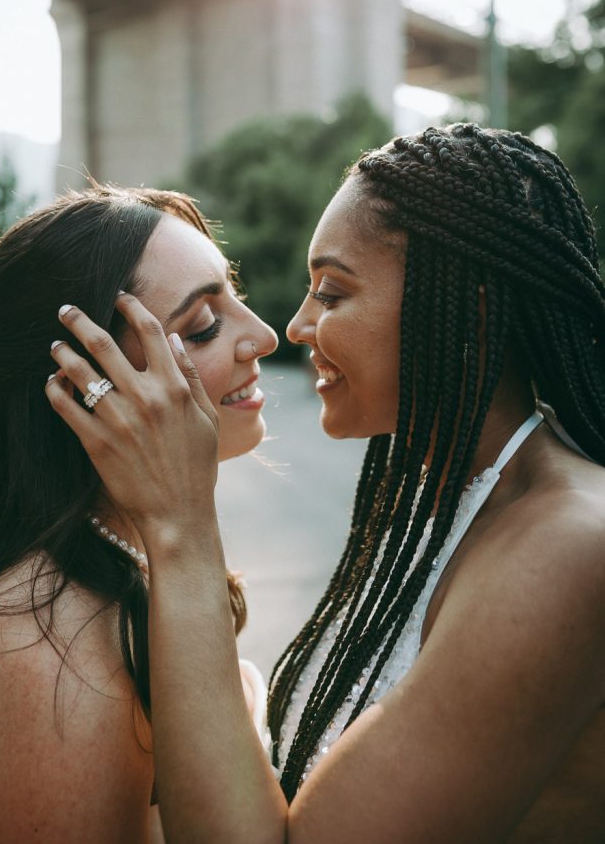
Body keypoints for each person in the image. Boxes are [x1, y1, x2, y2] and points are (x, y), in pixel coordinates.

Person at [48, 125, 605, 843]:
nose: (295, 326)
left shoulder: (567, 544)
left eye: (332, 292)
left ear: (468, 306)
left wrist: (179, 526)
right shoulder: (453, 505)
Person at [0, 185, 277, 843]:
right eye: (202, 325)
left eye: (236, 294)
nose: (263, 335)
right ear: (85, 379)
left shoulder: (125, 563)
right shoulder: (38, 650)